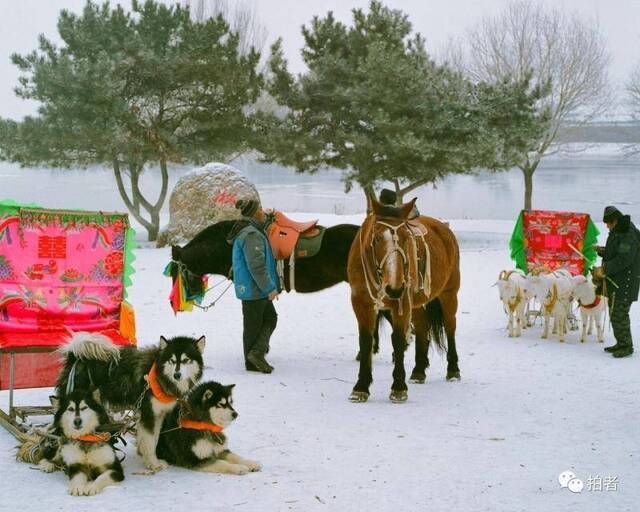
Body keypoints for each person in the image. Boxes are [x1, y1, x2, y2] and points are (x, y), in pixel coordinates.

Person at [227, 199, 280, 373]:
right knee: (257, 323)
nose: (262, 210)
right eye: (259, 208)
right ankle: (253, 357)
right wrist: (269, 288)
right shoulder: (252, 235)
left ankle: (254, 356)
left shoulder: (248, 230)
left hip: (251, 287)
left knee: (264, 320)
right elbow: (256, 266)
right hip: (254, 288)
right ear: (253, 212)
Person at [593, 206, 640, 358]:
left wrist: (605, 268)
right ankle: (621, 342)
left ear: (615, 221)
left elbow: (624, 258)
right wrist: (603, 251)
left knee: (619, 313)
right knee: (614, 312)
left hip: (626, 281)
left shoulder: (628, 233)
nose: (606, 226)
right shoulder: (619, 229)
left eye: (608, 223)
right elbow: (617, 251)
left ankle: (626, 346)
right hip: (617, 279)